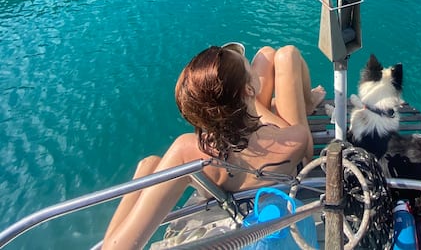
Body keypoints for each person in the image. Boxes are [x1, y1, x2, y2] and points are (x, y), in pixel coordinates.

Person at [102, 43, 325, 249]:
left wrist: (145, 169)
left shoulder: (186, 150)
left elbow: (116, 247)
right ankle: (306, 102)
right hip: (278, 156)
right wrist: (255, 107)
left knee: (266, 54)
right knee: (287, 55)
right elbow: (305, 149)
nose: (254, 69)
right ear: (249, 89)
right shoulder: (295, 138)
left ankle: (244, 105)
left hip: (224, 170)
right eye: (248, 67)